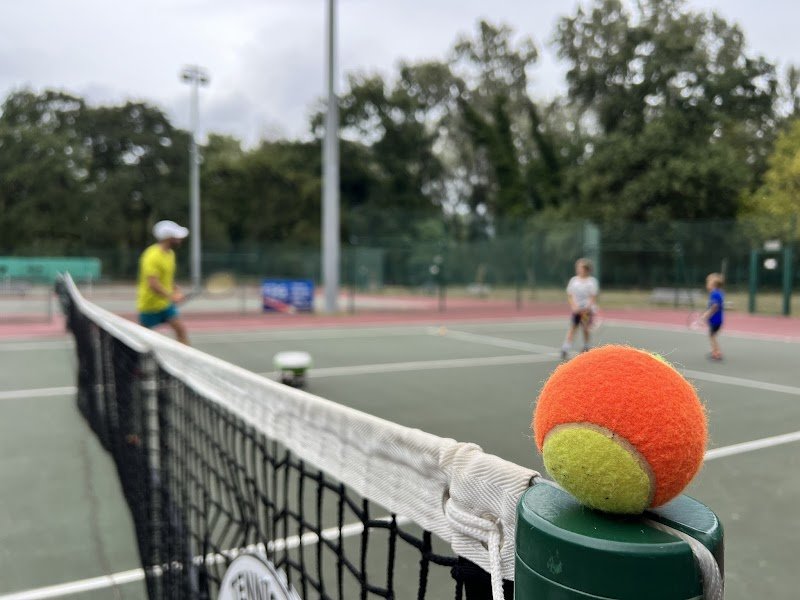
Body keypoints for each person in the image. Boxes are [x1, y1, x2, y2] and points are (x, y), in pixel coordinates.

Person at [137, 220, 189, 344]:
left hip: (165, 305)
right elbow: (153, 283)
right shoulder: (151, 256)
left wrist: (176, 290)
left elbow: (167, 279)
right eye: (176, 236)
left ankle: (184, 361)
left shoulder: (170, 254)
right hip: (149, 306)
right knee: (141, 340)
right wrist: (171, 296)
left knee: (181, 330)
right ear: (168, 238)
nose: (180, 239)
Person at [560, 258, 599, 360]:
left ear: (586, 269)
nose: (578, 269)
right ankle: (565, 347)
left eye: (580, 268)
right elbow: (570, 295)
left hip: (587, 310)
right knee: (573, 328)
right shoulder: (574, 280)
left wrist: (587, 308)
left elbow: (593, 297)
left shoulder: (592, 282)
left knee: (585, 329)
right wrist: (574, 306)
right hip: (576, 310)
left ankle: (586, 346)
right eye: (577, 267)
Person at [701, 273, 725, 361]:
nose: (707, 285)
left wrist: (706, 315)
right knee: (712, 336)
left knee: (712, 337)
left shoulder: (715, 294)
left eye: (708, 283)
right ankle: (715, 351)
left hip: (716, 320)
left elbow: (715, 306)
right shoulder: (719, 293)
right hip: (717, 320)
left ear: (713, 285)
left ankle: (717, 353)